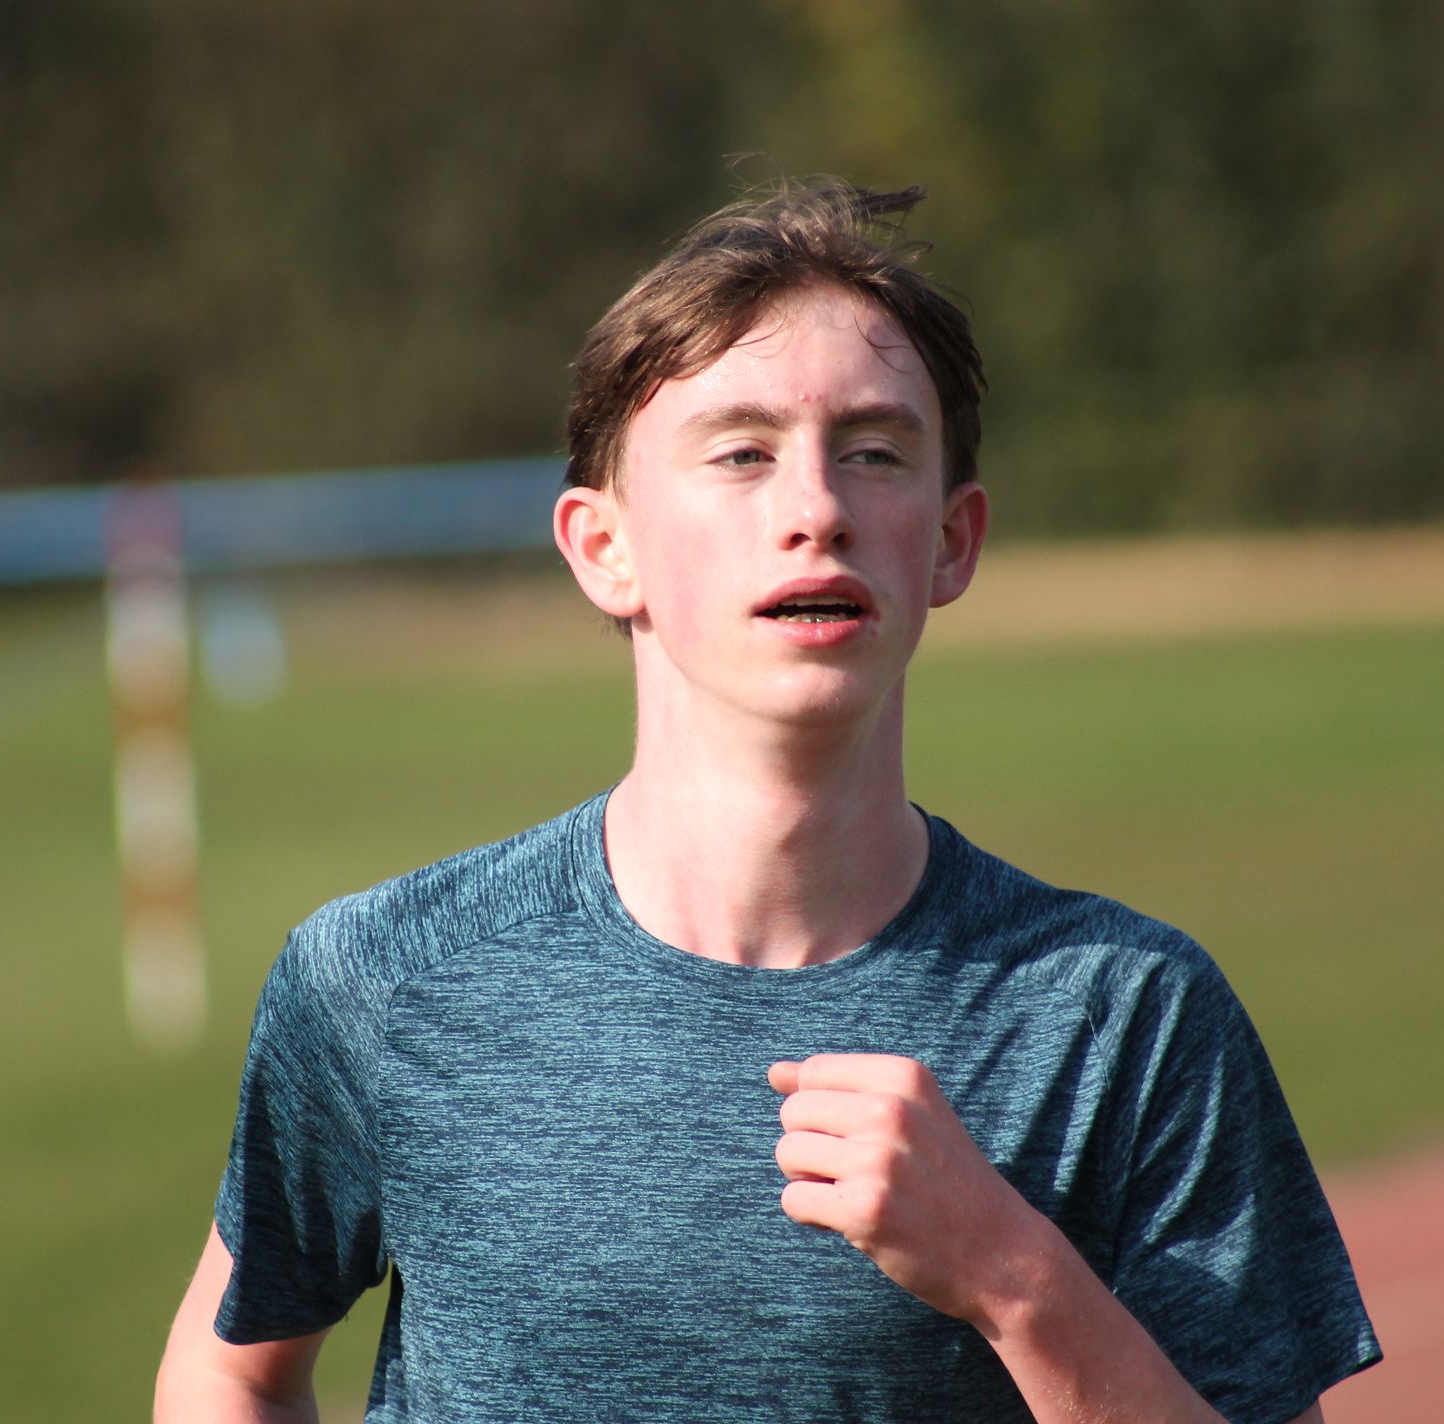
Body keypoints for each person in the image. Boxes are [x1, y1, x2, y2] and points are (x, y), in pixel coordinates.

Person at [153, 180, 1380, 1423]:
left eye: (875, 452)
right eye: (742, 452)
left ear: (951, 540)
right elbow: (229, 1368)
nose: (816, 510)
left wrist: (1014, 1276)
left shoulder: (1125, 1013)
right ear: (603, 546)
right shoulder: (386, 977)